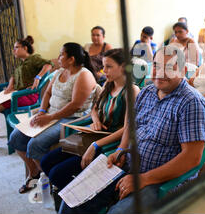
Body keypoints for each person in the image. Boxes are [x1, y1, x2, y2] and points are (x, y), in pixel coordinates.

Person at [59, 45, 205, 214]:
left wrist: (144, 179)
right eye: (157, 65)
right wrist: (121, 149)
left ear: (183, 71)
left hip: (161, 182)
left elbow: (192, 158)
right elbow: (131, 125)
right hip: (127, 166)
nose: (160, 72)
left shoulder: (192, 103)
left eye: (170, 67)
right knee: (72, 200)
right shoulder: (147, 92)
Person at [41, 48, 140, 191]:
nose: (104, 70)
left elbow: (127, 128)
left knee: (57, 173)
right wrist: (96, 121)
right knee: (46, 162)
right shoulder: (108, 84)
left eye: (109, 66)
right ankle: (69, 194)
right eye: (103, 66)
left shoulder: (131, 91)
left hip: (110, 141)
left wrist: (95, 145)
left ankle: (78, 196)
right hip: (95, 135)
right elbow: (94, 108)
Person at [8, 42, 97, 194]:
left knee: (34, 145)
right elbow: (47, 93)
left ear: (72, 59)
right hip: (50, 114)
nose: (58, 57)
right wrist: (42, 111)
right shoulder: (59, 72)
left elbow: (75, 105)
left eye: (62, 54)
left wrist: (50, 117)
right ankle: (35, 172)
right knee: (16, 137)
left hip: (71, 119)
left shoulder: (83, 75)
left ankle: (52, 180)